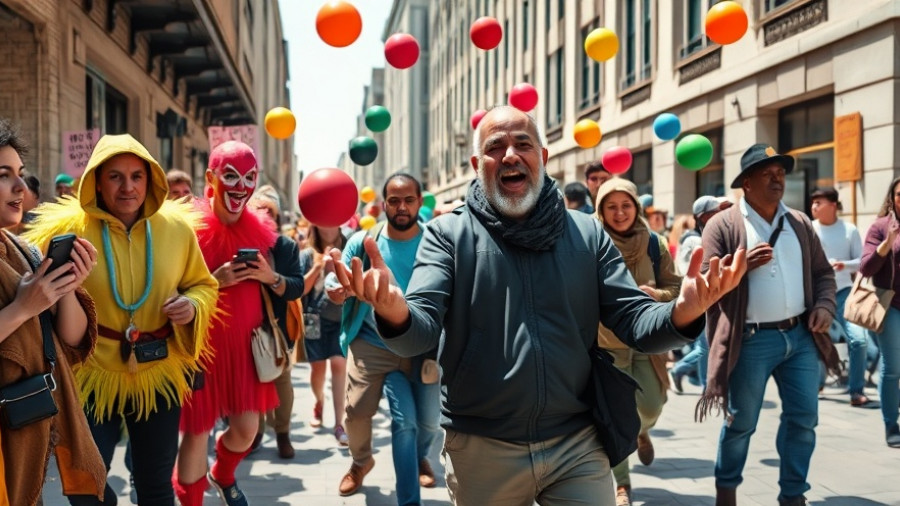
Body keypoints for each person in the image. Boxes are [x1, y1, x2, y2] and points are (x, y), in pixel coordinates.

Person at [327, 106, 746, 505]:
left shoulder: (587, 233)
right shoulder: (447, 235)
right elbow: (419, 330)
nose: (510, 154)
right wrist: (394, 311)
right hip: (483, 448)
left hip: (578, 443)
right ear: (477, 165)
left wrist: (683, 311)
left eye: (523, 144)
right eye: (495, 147)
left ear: (542, 158)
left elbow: (633, 318)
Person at [25, 132, 219, 506]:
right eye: (115, 176)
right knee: (87, 489)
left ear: (150, 179)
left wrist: (192, 304)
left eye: (136, 176)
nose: (128, 187)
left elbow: (203, 285)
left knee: (155, 487)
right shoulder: (66, 231)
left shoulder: (177, 229)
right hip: (90, 373)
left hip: (158, 370)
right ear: (97, 181)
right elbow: (36, 292)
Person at [698, 143, 839, 506]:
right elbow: (704, 282)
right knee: (742, 422)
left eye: (780, 173)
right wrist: (741, 266)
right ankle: (726, 489)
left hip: (801, 337)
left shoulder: (799, 222)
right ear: (746, 182)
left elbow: (823, 274)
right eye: (767, 174)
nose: (777, 180)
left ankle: (793, 495)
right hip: (750, 341)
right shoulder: (722, 224)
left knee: (803, 419)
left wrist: (825, 306)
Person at [0, 119, 105, 505]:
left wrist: (67, 286)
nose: (21, 188)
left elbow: (70, 341)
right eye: (4, 175)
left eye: (21, 174)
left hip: (27, 430)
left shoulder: (24, 251)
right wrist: (22, 308)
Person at [175, 141, 281, 506]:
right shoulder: (188, 229)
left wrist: (270, 276)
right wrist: (214, 280)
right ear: (211, 178)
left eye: (250, 177)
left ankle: (222, 474)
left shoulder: (260, 230)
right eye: (231, 176)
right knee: (196, 432)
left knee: (247, 430)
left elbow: (289, 283)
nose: (241, 186)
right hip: (200, 349)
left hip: (245, 350)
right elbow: (170, 290)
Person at [326, 172, 441, 504]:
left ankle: (420, 456)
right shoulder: (364, 241)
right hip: (371, 345)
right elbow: (338, 282)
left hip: (422, 347)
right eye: (394, 200)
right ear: (383, 204)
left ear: (419, 202)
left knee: (428, 422)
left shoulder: (436, 241)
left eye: (409, 200)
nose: (401, 207)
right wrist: (339, 290)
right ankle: (361, 461)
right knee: (356, 414)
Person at [594, 178, 683, 506]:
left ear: (636, 207)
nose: (619, 213)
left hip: (647, 339)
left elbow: (676, 287)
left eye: (626, 205)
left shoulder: (654, 243)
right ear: (601, 210)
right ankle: (622, 485)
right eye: (611, 207)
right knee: (613, 416)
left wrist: (656, 295)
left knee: (651, 405)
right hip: (605, 343)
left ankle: (641, 431)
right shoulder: (591, 241)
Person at [247, 186, 304, 459]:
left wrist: (271, 277)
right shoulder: (237, 242)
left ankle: (282, 433)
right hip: (243, 328)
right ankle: (253, 434)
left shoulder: (285, 246)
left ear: (277, 216)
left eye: (269, 210)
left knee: (281, 383)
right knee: (250, 385)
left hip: (276, 327)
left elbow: (296, 287)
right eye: (258, 209)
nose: (264, 215)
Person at [810, 187, 871, 406]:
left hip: (844, 293)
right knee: (816, 339)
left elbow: (863, 261)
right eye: (813, 202)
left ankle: (856, 391)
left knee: (859, 340)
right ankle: (817, 384)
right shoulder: (809, 228)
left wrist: (844, 265)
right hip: (816, 294)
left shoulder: (849, 230)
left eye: (819, 202)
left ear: (833, 205)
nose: (814, 206)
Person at [670, 196, 733, 393]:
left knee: (708, 344)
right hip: (698, 299)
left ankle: (687, 373)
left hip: (711, 298)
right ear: (704, 217)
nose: (722, 215)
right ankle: (705, 384)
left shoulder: (710, 235)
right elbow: (690, 271)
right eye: (716, 212)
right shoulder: (695, 240)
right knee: (706, 345)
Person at [858, 177, 900, 448]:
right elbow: (866, 268)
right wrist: (887, 244)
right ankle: (891, 424)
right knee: (893, 368)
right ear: (892, 198)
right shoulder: (881, 227)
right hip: (891, 305)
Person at [299, 223, 348, 444]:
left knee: (339, 364)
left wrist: (337, 267)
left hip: (341, 318)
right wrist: (319, 266)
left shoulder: (349, 247)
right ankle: (319, 402)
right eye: (323, 224)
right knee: (317, 369)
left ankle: (340, 424)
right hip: (314, 318)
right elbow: (301, 289)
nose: (329, 228)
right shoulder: (307, 255)